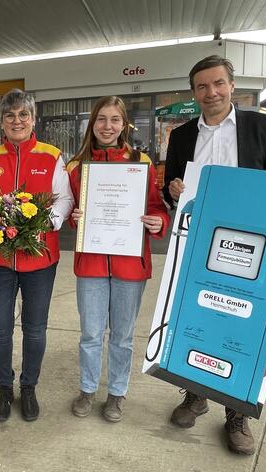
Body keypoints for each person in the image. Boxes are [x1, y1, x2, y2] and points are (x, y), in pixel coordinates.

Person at [163, 55, 266, 455]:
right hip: (196, 244)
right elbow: (170, 189)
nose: (211, 92)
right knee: (195, 318)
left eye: (218, 84)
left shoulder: (261, 125)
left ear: (233, 86)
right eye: (202, 86)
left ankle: (236, 414)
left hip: (248, 248)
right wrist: (175, 190)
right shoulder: (181, 136)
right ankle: (195, 394)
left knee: (240, 323)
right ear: (193, 92)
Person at [0, 88, 74, 422]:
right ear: (2, 121)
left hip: (40, 260)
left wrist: (45, 224)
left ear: (33, 118)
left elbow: (65, 200)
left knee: (35, 329)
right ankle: (4, 389)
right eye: (10, 115)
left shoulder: (51, 155)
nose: (17, 121)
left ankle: (29, 387)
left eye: (23, 115)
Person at [66, 96, 170, 423]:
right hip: (92, 265)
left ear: (124, 124)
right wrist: (75, 216)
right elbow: (69, 212)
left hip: (130, 266)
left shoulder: (141, 163)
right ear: (92, 124)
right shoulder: (75, 167)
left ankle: (116, 393)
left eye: (114, 120)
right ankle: (87, 388)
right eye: (101, 119)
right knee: (91, 334)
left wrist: (158, 222)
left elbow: (156, 207)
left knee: (123, 336)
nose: (107, 126)